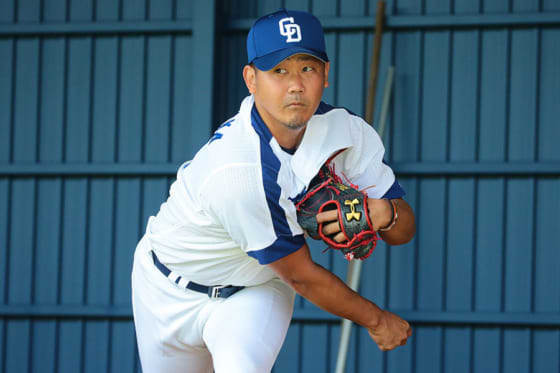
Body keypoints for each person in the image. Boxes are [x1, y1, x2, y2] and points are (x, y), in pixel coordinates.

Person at [131, 8, 415, 373]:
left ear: (325, 74)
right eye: (279, 70)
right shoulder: (239, 168)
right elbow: (301, 274)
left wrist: (383, 212)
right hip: (167, 289)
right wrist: (378, 321)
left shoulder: (346, 134)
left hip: (255, 289)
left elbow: (404, 228)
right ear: (251, 79)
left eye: (307, 68)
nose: (295, 84)